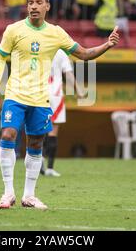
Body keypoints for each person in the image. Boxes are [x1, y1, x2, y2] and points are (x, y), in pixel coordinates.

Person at [0, 0, 120, 209]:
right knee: (9, 134)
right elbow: (0, 60)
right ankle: (8, 192)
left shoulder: (56, 33)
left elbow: (84, 54)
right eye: (30, 2)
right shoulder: (13, 30)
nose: (33, 6)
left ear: (47, 6)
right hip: (15, 95)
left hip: (41, 99)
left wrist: (107, 45)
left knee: (37, 142)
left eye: (38, 2)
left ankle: (28, 196)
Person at [40, 49, 86, 177]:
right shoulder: (61, 53)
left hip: (39, 93)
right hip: (55, 94)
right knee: (53, 131)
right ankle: (49, 168)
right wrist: (78, 91)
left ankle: (39, 162)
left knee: (39, 130)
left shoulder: (39, 46)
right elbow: (68, 74)